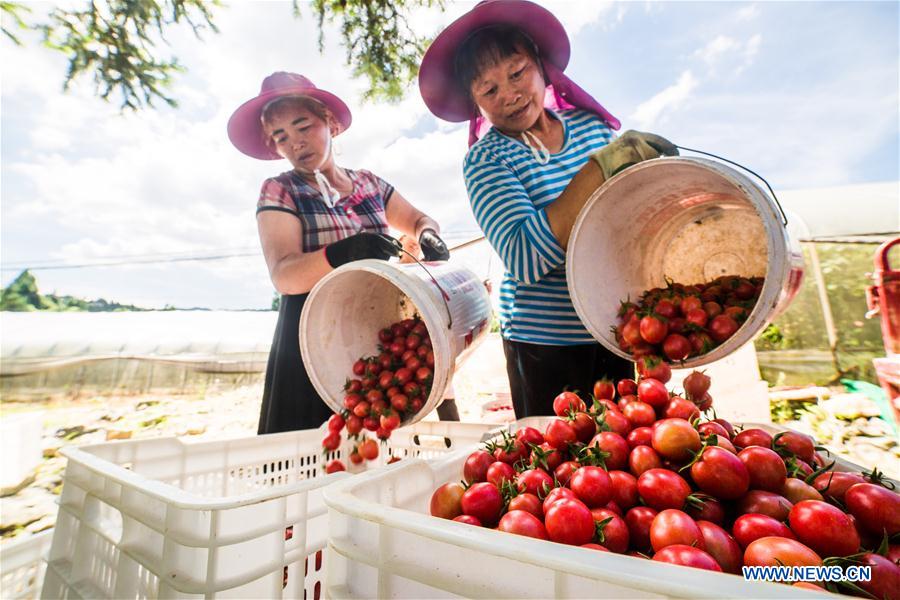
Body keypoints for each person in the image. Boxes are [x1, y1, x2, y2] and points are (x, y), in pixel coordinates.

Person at [418, 1, 678, 417]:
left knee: (631, 458)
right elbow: (525, 258)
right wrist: (599, 169)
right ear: (475, 103)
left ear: (540, 67)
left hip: (620, 329)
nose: (510, 94)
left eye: (518, 72)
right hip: (546, 345)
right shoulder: (487, 161)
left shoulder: (593, 129)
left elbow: (631, 219)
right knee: (560, 469)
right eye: (488, 89)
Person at [228, 72, 450, 434]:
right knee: (308, 448)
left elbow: (418, 219)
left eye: (303, 127)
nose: (296, 144)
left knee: (372, 436)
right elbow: (284, 274)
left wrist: (427, 234)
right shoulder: (280, 190)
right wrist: (343, 252)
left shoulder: (369, 184)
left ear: (329, 123)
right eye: (281, 137)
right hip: (308, 337)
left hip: (372, 327)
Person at [397, 234, 461, 421]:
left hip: (431, 335)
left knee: (444, 390)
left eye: (415, 239)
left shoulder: (428, 268)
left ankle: (453, 440)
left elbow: (448, 294)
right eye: (406, 237)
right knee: (409, 396)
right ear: (398, 243)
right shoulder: (390, 269)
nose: (412, 241)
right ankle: (412, 445)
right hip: (404, 335)